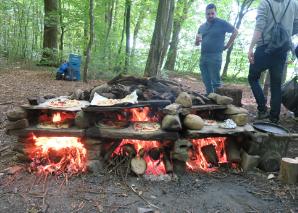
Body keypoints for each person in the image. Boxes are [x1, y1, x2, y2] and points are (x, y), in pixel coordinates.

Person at [248, 0, 298, 123]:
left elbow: (259, 27)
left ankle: (262, 109)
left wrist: (251, 48)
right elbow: (296, 25)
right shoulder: (293, 4)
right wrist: (285, 34)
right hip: (282, 50)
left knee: (253, 77)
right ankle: (274, 117)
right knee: (276, 85)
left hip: (264, 48)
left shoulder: (265, 3)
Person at [195, 3, 238, 95]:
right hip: (203, 56)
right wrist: (197, 41)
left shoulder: (221, 23)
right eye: (208, 14)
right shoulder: (201, 27)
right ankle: (210, 98)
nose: (210, 15)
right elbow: (197, 43)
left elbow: (235, 31)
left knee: (215, 81)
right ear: (205, 14)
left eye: (212, 13)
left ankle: (219, 101)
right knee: (206, 80)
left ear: (215, 13)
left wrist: (227, 45)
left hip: (215, 55)